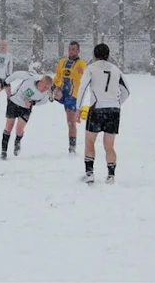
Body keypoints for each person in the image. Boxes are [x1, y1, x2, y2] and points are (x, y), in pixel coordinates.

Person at [75, 43, 130, 184]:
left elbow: (82, 88)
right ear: (108, 55)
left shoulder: (91, 69)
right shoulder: (116, 69)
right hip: (113, 110)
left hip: (97, 108)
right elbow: (126, 91)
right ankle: (111, 176)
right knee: (109, 145)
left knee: (89, 141)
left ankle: (89, 174)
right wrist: (117, 103)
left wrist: (78, 108)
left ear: (94, 55)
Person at [0, 71, 57, 160]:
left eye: (48, 88)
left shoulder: (46, 92)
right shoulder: (30, 78)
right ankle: (4, 151)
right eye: (45, 87)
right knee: (9, 126)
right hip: (14, 102)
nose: (45, 90)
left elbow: (43, 101)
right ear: (40, 82)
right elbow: (16, 74)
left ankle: (18, 141)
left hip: (26, 108)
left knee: (19, 129)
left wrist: (32, 102)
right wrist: (6, 82)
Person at [53, 41, 87, 154]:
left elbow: (86, 77)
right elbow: (57, 77)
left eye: (73, 49)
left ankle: (72, 147)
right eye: (70, 49)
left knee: (70, 121)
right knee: (69, 120)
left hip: (73, 95)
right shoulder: (62, 62)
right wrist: (56, 88)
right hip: (63, 93)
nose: (71, 51)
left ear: (78, 51)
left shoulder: (81, 63)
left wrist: (83, 73)